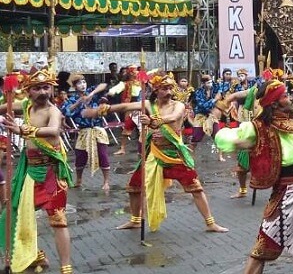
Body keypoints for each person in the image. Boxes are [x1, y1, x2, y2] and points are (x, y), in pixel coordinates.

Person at [214, 72, 293, 274]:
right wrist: (220, 129)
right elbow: (228, 139)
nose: (289, 98)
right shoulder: (259, 127)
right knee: (262, 246)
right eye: (285, 96)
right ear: (274, 102)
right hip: (286, 191)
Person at [84, 73, 228, 234]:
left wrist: (153, 121)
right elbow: (126, 107)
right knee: (134, 187)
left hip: (174, 155)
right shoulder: (148, 104)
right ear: (155, 90)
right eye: (164, 88)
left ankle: (210, 223)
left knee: (196, 188)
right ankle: (136, 220)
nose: (168, 92)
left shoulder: (177, 105)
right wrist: (103, 110)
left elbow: (174, 117)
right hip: (153, 154)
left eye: (169, 88)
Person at [0, 68, 74, 274]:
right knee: (13, 214)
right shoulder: (25, 106)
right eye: (37, 88)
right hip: (30, 173)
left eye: (46, 87)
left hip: (51, 173)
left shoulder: (53, 111)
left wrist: (23, 130)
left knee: (58, 220)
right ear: (28, 91)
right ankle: (32, 255)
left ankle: (66, 267)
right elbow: (4, 107)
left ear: (51, 89)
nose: (42, 92)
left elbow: (53, 131)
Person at [62, 74, 111, 190]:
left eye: (84, 82)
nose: (83, 85)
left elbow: (104, 85)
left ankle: (106, 181)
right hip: (84, 131)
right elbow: (66, 111)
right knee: (80, 157)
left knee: (103, 155)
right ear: (74, 86)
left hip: (98, 129)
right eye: (79, 83)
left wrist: (91, 94)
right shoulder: (72, 99)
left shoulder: (91, 92)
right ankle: (79, 180)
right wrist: (79, 101)